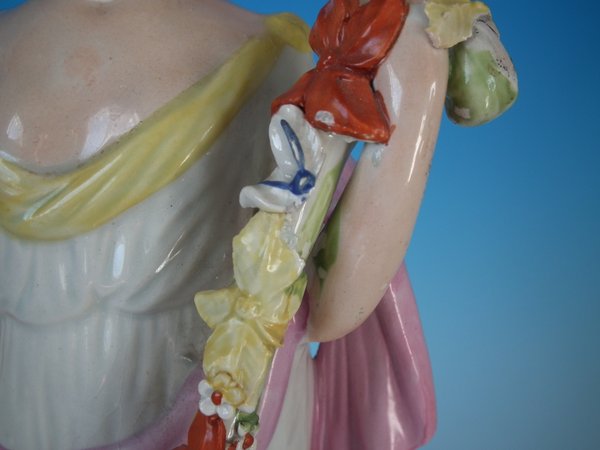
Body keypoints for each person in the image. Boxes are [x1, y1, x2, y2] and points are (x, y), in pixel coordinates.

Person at [0, 1, 517, 449]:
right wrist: (420, 65)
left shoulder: (267, 59)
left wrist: (417, 64)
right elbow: (331, 307)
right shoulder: (269, 57)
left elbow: (324, 303)